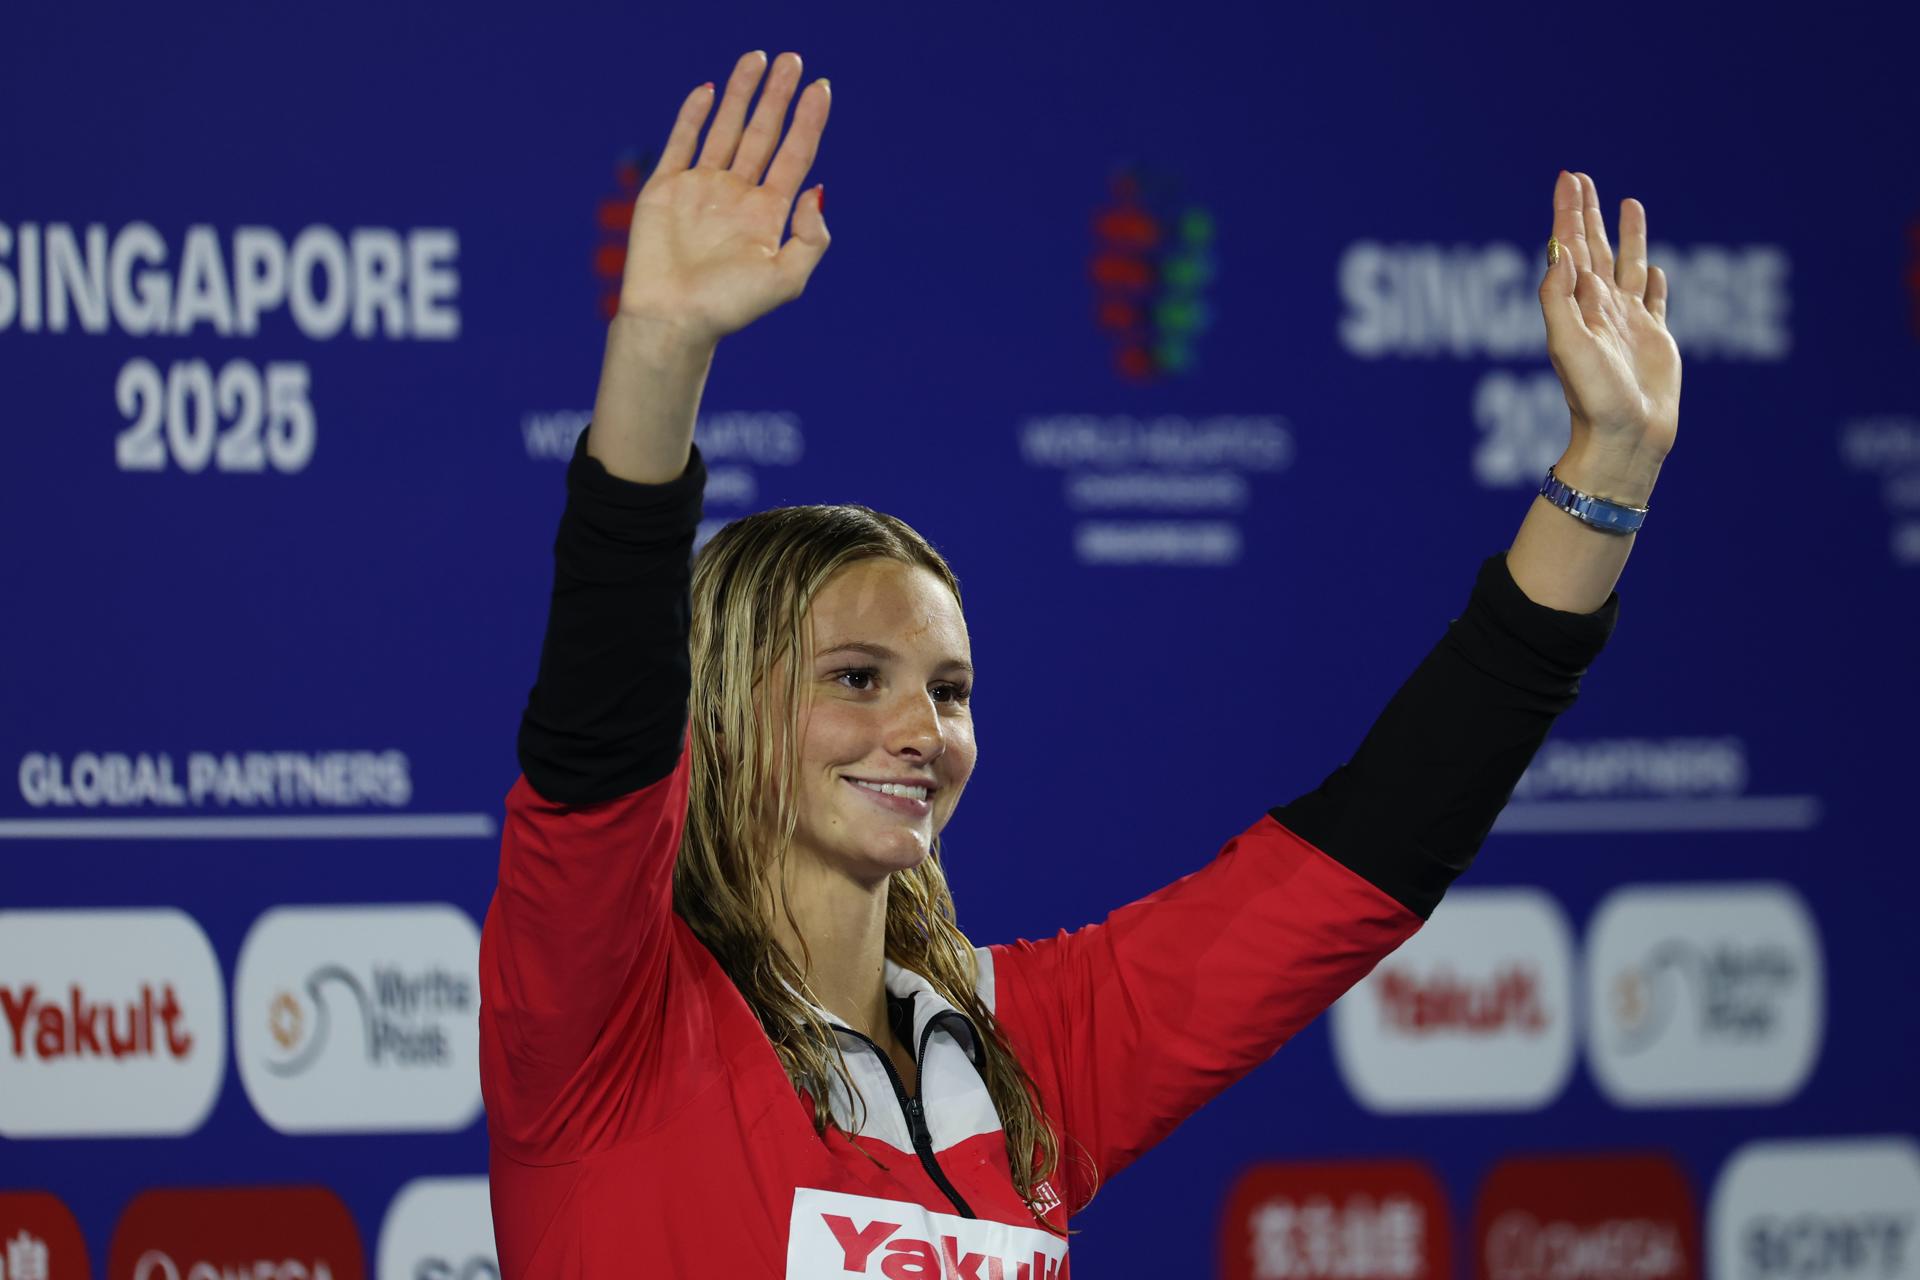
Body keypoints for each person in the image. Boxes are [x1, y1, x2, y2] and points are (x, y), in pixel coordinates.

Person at [477, 48, 1679, 1278]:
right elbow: (599, 735)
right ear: (724, 709)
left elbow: (1363, 853)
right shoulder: (606, 1015)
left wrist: (1611, 471)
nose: (920, 730)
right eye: (855, 676)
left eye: (949, 690)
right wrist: (663, 351)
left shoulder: (1026, 1047)